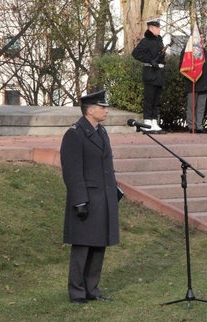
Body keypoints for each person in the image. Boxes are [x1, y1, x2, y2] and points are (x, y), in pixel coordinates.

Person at [60, 90, 121, 304]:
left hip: (103, 197)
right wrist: (79, 200)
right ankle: (76, 292)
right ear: (90, 110)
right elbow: (72, 171)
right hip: (86, 198)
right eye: (102, 107)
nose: (106, 110)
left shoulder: (101, 131)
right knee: (82, 247)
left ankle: (91, 288)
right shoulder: (75, 134)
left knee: (98, 245)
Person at [131, 19, 167, 134]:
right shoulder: (146, 41)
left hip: (159, 73)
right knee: (149, 99)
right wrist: (150, 61)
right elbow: (136, 53)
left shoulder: (159, 41)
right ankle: (147, 122)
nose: (159, 29)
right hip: (150, 72)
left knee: (156, 100)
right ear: (150, 29)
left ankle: (154, 122)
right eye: (157, 28)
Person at [180, 35, 207, 133]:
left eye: (202, 38)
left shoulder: (205, 52)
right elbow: (182, 67)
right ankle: (192, 126)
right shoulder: (187, 52)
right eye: (199, 38)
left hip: (204, 84)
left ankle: (199, 126)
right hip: (192, 83)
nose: (201, 40)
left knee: (201, 107)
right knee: (192, 107)